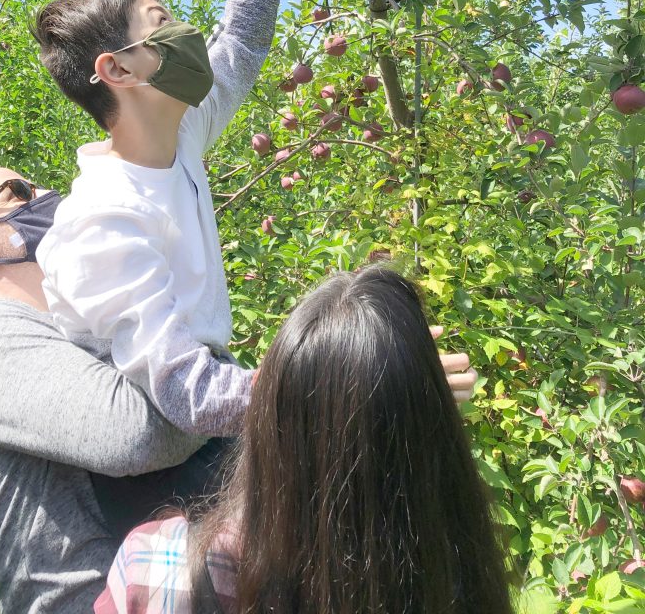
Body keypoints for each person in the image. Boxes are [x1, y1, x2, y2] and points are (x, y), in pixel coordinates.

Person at [0, 169, 478, 614]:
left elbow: (191, 404)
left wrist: (378, 391)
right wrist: (334, 383)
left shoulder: (77, 329)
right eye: (17, 191)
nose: (46, 194)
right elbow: (137, 436)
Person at [32, 0, 356, 438]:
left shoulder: (181, 136)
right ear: (118, 71)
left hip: (210, 413)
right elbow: (188, 391)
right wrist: (345, 387)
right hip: (153, 462)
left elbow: (244, 33)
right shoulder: (103, 220)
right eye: (162, 26)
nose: (187, 35)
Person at [96, 257, 514, 614]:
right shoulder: (461, 576)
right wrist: (402, 397)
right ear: (436, 441)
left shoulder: (157, 570)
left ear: (268, 420)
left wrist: (316, 380)